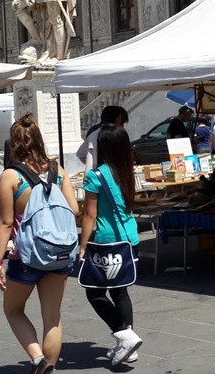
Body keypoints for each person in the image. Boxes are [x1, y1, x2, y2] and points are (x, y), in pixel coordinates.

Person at [0, 115, 79, 374]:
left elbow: (6, 223)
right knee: (52, 317)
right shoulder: (58, 170)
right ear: (39, 140)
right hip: (60, 252)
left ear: (14, 144)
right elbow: (74, 209)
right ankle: (48, 367)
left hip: (27, 256)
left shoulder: (11, 176)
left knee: (13, 309)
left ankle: (39, 360)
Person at [79, 124, 143, 366]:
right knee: (120, 290)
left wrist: (82, 245)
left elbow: (89, 215)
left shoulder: (95, 176)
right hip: (129, 237)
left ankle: (123, 334)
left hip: (107, 242)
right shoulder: (126, 171)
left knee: (94, 292)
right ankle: (128, 344)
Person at [77, 106, 128, 172]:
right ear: (116, 120)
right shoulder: (97, 133)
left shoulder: (95, 132)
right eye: (122, 122)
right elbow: (81, 154)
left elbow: (81, 154)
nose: (122, 126)